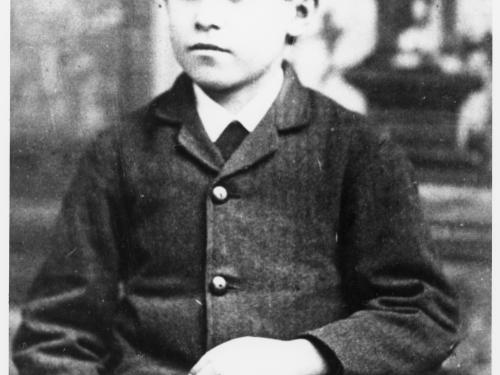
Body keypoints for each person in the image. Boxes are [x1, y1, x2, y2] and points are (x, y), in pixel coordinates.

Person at [13, 0, 459, 374]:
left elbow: (422, 313)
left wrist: (303, 356)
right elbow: (56, 332)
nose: (206, 16)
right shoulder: (118, 151)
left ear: (299, 13)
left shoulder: (359, 150)